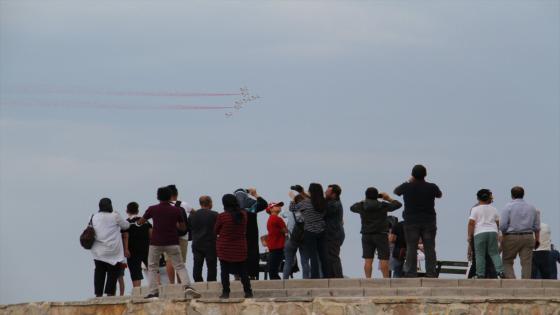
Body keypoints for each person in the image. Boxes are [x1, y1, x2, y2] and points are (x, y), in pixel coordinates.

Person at [137, 187, 200, 299]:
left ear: (158, 197)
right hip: (172, 241)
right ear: (170, 196)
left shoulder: (152, 209)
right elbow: (182, 227)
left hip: (156, 242)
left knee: (152, 266)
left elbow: (141, 222)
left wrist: (139, 222)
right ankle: (187, 286)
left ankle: (153, 291)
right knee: (180, 265)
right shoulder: (176, 210)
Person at [394, 164, 442, 278]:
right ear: (425, 174)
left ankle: (411, 272)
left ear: (412, 174)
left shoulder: (407, 186)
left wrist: (409, 181)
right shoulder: (432, 187)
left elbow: (396, 191)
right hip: (429, 221)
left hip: (411, 222)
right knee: (430, 248)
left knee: (411, 247)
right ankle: (431, 272)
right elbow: (439, 195)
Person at [351, 187, 402, 278]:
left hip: (366, 235)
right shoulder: (383, 205)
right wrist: (388, 198)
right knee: (384, 259)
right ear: (377, 196)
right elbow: (398, 204)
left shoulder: (362, 206)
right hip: (381, 235)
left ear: (366, 195)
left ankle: (368, 280)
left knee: (368, 260)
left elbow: (352, 208)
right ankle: (386, 280)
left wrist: (364, 201)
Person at [90, 198, 130, 297]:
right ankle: (110, 294)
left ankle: (98, 294)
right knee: (112, 274)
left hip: (98, 251)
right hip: (113, 251)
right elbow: (126, 226)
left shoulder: (94, 216)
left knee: (99, 272)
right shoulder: (115, 215)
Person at [215, 194, 253, 299]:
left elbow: (216, 230)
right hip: (240, 247)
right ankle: (248, 292)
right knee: (243, 271)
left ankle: (226, 292)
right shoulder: (243, 215)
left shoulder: (222, 216)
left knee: (224, 271)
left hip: (225, 248)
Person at [499, 186, 540, 279]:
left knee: (507, 261)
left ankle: (512, 281)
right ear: (523, 194)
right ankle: (525, 284)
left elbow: (502, 226)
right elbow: (537, 227)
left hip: (511, 237)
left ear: (512, 195)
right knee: (526, 263)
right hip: (528, 236)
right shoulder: (532, 208)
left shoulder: (508, 207)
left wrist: (503, 236)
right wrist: (537, 240)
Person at [290, 183, 328, 279]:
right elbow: (314, 200)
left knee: (313, 255)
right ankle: (327, 275)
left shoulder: (305, 203)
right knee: (323, 254)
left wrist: (293, 198)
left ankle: (315, 276)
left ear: (310, 192)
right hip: (322, 230)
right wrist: (302, 192)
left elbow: (292, 208)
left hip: (310, 232)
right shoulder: (323, 202)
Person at [467, 189, 505, 279]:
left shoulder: (475, 209)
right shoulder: (494, 209)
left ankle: (480, 274)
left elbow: (471, 223)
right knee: (494, 253)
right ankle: (500, 271)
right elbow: (498, 223)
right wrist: (499, 234)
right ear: (489, 198)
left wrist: (469, 235)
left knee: (480, 254)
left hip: (480, 232)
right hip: (492, 232)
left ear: (478, 198)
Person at [234, 188, 268, 280]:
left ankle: (237, 275)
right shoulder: (252, 205)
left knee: (238, 254)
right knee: (252, 253)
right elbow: (264, 204)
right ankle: (252, 275)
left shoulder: (233, 208)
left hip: (239, 235)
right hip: (251, 234)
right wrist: (255, 194)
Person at [166, 185, 194, 284]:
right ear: (176, 194)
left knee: (169, 260)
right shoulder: (184, 204)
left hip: (168, 236)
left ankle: (171, 283)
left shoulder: (164, 205)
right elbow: (194, 213)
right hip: (183, 236)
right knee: (180, 261)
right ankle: (180, 283)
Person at [189, 196, 218, 282]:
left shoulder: (192, 215)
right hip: (211, 243)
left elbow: (189, 228)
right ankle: (211, 283)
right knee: (211, 266)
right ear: (210, 203)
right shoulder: (215, 214)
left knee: (197, 264)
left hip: (197, 243)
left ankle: (198, 282)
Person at [125, 202, 152, 288]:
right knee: (152, 269)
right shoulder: (146, 221)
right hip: (146, 248)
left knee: (135, 272)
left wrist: (126, 249)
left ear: (127, 211)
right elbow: (151, 234)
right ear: (137, 210)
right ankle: (157, 287)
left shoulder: (126, 223)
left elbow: (125, 236)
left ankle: (137, 291)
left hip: (132, 250)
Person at [282, 185, 306, 279]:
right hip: (303, 237)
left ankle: (285, 280)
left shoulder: (290, 209)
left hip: (292, 237)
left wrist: (292, 200)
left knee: (288, 261)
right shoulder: (306, 211)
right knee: (304, 261)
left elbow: (283, 214)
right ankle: (306, 280)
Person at [324, 184, 345, 278]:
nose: (325, 192)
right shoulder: (332, 202)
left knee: (333, 256)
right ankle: (333, 276)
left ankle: (338, 277)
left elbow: (324, 210)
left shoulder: (334, 205)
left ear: (333, 194)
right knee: (330, 256)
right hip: (333, 233)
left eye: (327, 191)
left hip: (334, 234)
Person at [265, 202, 287, 280]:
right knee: (274, 268)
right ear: (271, 209)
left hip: (273, 246)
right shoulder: (277, 219)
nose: (279, 207)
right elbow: (286, 231)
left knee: (273, 267)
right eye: (276, 206)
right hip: (277, 246)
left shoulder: (271, 218)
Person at [532, 212, 551, 279]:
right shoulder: (546, 226)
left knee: (533, 273)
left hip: (534, 251)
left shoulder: (530, 226)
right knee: (545, 272)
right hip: (545, 251)